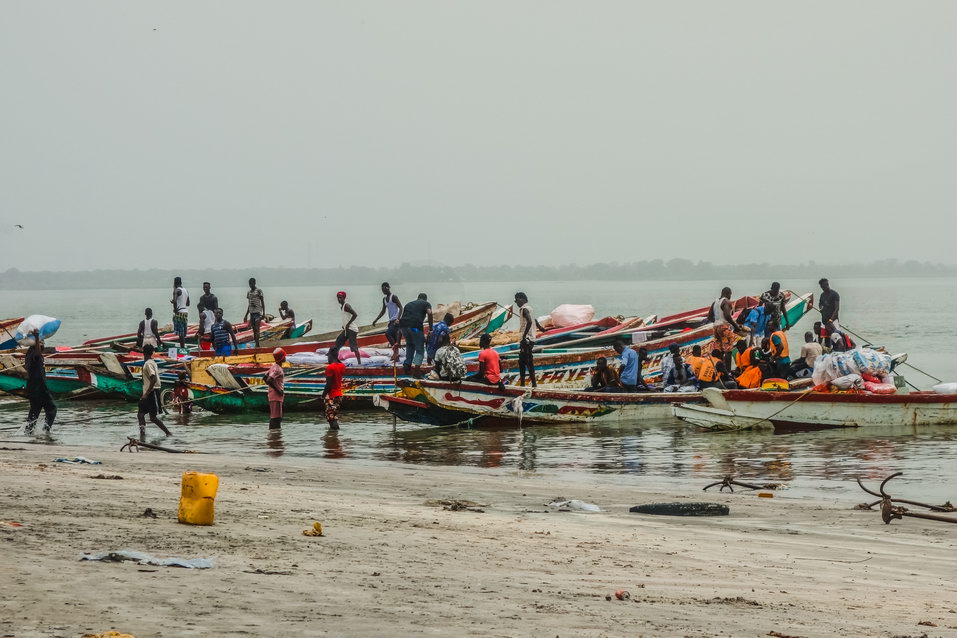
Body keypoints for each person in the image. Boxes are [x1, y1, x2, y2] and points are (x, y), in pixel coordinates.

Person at [24, 329, 56, 434]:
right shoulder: (35, 355)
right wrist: (37, 337)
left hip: (33, 388)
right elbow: (38, 353)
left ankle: (28, 431)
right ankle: (45, 431)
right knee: (52, 409)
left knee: (35, 411)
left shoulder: (29, 355)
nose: (43, 347)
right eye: (42, 345)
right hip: (40, 387)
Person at [137, 343, 171, 437]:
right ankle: (142, 434)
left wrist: (147, 393)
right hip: (147, 392)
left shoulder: (148, 364)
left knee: (153, 417)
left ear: (143, 352)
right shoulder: (151, 362)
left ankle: (168, 433)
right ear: (152, 352)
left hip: (151, 392)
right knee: (140, 414)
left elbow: (154, 378)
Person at [514, 292, 545, 388]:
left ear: (522, 299)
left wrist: (523, 336)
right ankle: (523, 384)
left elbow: (530, 321)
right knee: (522, 361)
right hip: (530, 339)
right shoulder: (530, 308)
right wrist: (541, 329)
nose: (516, 302)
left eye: (517, 300)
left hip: (526, 340)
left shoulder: (524, 309)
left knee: (527, 361)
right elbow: (534, 320)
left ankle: (533, 385)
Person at [707, 287, 741, 370]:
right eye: (730, 294)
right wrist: (735, 326)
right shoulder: (726, 301)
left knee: (720, 350)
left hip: (715, 327)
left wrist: (717, 322)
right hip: (724, 327)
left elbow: (709, 317)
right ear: (727, 293)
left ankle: (720, 370)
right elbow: (727, 315)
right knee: (728, 350)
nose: (730, 296)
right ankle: (728, 371)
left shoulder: (714, 302)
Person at [399, 293, 433, 377]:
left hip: (403, 328)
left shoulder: (408, 304)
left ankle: (407, 365)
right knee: (420, 349)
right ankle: (417, 372)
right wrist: (431, 329)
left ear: (417, 298)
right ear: (425, 299)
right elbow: (429, 313)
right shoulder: (426, 304)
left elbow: (402, 318)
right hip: (415, 328)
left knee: (410, 345)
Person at [372, 282, 403, 353]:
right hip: (391, 321)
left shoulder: (394, 297)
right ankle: (396, 356)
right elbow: (383, 311)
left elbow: (401, 307)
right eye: (381, 290)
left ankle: (395, 347)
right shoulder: (384, 299)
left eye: (383, 289)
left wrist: (398, 319)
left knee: (387, 333)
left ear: (387, 288)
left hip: (396, 321)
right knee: (394, 339)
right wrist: (376, 320)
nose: (382, 291)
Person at [333, 291, 362, 364]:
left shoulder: (346, 306)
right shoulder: (342, 307)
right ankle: (335, 359)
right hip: (347, 329)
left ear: (344, 298)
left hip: (352, 330)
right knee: (339, 341)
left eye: (340, 298)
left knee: (353, 347)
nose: (339, 299)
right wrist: (344, 325)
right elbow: (346, 317)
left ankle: (359, 363)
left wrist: (348, 324)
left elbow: (355, 314)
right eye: (338, 298)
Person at [322, 347, 346, 430]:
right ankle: (334, 438)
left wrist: (323, 395)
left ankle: (333, 438)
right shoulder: (342, 366)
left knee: (331, 418)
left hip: (332, 395)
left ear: (331, 356)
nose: (328, 358)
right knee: (333, 416)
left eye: (328, 356)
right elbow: (340, 364)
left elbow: (328, 384)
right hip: (339, 395)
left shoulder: (330, 368)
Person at [264, 348, 286, 430]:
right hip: (276, 395)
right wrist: (278, 390)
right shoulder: (277, 369)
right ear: (282, 358)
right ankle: (273, 435)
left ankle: (276, 435)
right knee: (275, 417)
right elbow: (269, 380)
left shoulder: (274, 366)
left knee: (277, 417)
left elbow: (265, 377)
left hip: (273, 394)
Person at [243, 278, 265, 348]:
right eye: (249, 283)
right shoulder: (249, 292)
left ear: (255, 283)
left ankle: (257, 344)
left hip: (258, 313)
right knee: (254, 330)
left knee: (257, 328)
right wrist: (246, 315)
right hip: (252, 313)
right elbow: (249, 305)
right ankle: (257, 343)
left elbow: (262, 302)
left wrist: (264, 313)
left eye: (252, 283)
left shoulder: (259, 291)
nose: (250, 285)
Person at [170, 276, 190, 349]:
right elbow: (188, 303)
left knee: (180, 333)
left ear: (175, 283)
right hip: (185, 312)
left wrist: (175, 308)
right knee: (183, 332)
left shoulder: (176, 290)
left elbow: (175, 301)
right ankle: (183, 346)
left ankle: (182, 349)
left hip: (179, 312)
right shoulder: (185, 290)